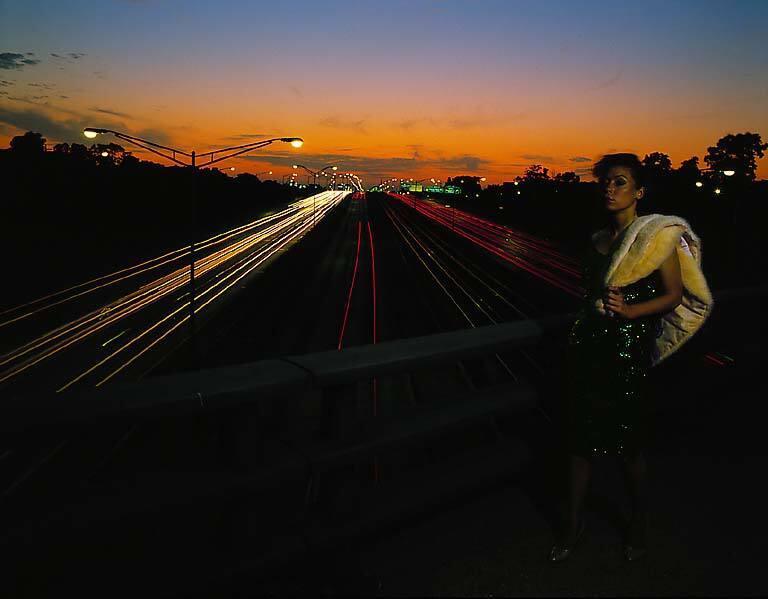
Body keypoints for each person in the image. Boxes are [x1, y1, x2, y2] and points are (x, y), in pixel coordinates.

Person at [548, 153, 713, 562]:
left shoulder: (655, 237)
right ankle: (572, 525)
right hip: (588, 346)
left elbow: (674, 294)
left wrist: (630, 312)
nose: (609, 188)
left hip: (626, 349)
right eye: (605, 181)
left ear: (639, 192)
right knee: (578, 441)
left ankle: (638, 519)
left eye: (619, 182)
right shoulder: (596, 239)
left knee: (627, 444)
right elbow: (588, 294)